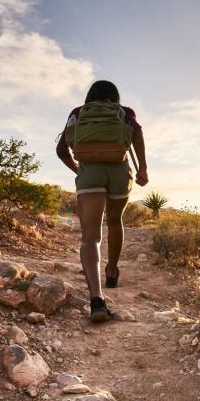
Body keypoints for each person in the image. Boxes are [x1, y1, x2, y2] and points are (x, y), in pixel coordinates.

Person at [56, 80, 148, 322]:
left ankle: (97, 299)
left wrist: (79, 170)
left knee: (90, 236)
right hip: (119, 170)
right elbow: (137, 134)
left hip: (90, 172)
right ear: (114, 97)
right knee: (115, 221)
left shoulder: (78, 113)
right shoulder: (125, 113)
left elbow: (61, 150)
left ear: (90, 96)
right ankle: (111, 270)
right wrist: (143, 169)